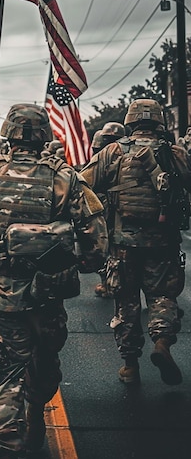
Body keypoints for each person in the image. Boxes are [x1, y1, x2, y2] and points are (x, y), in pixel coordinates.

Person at [0, 103, 107, 459]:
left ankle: (6, 444)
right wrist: (86, 261)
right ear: (45, 134)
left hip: (3, 292)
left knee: (6, 373)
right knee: (45, 359)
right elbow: (95, 236)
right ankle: (36, 412)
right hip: (49, 291)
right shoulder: (64, 178)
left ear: (8, 134)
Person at [81, 99, 191, 386]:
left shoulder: (113, 151)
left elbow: (83, 185)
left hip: (123, 244)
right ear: (159, 121)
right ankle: (162, 344)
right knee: (162, 297)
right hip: (164, 241)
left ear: (130, 120)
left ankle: (130, 365)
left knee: (126, 302)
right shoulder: (174, 152)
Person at [91, 122, 126, 299]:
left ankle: (109, 283)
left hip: (107, 211)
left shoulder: (103, 156)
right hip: (128, 215)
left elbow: (86, 182)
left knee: (107, 248)